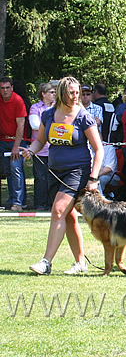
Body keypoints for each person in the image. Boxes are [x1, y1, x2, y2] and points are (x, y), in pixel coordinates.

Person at [22, 76, 104, 275]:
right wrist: (31, 151)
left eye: (78, 92)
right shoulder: (49, 115)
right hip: (54, 171)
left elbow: (98, 149)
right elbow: (40, 141)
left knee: (58, 210)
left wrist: (93, 178)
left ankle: (46, 262)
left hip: (77, 171)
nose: (76, 97)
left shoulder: (84, 117)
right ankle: (80, 263)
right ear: (61, 94)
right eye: (72, 93)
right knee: (68, 217)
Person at [0, 76, 28, 211]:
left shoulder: (18, 100)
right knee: (7, 171)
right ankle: (11, 200)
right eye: (2, 88)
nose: (5, 91)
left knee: (15, 168)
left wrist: (16, 146)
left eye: (7, 88)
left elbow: (21, 125)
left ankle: (18, 202)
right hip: (3, 140)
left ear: (12, 88)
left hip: (18, 140)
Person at [29, 82, 56, 211]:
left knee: (53, 178)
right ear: (43, 94)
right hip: (39, 150)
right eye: (51, 92)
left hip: (54, 150)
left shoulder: (57, 107)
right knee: (40, 178)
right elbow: (34, 125)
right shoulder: (35, 108)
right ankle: (40, 204)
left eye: (55, 92)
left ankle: (52, 203)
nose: (54, 94)